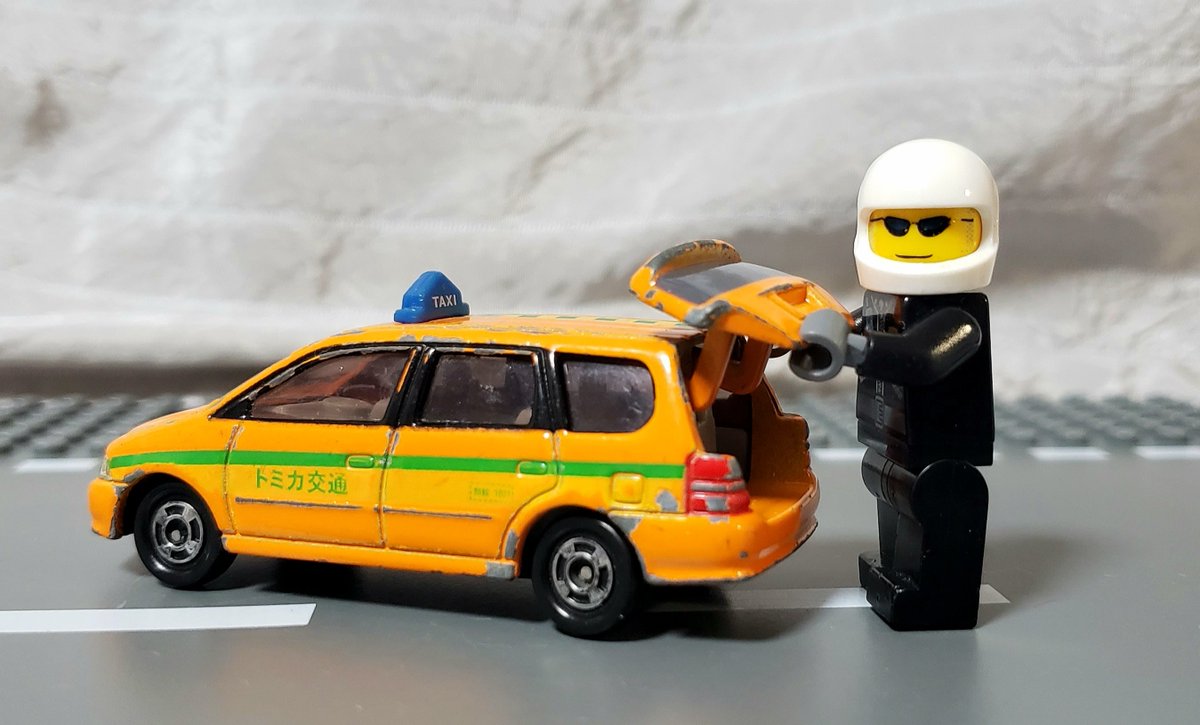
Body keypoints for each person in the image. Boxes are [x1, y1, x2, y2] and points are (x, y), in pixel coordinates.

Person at [790, 138, 999, 630]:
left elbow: (922, 358)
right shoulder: (885, 302)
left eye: (935, 226)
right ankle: (895, 573)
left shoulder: (959, 317)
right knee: (893, 504)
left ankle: (937, 599)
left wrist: (854, 348)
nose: (913, 238)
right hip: (891, 444)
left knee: (938, 506)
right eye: (896, 226)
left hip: (941, 451)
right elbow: (858, 327)